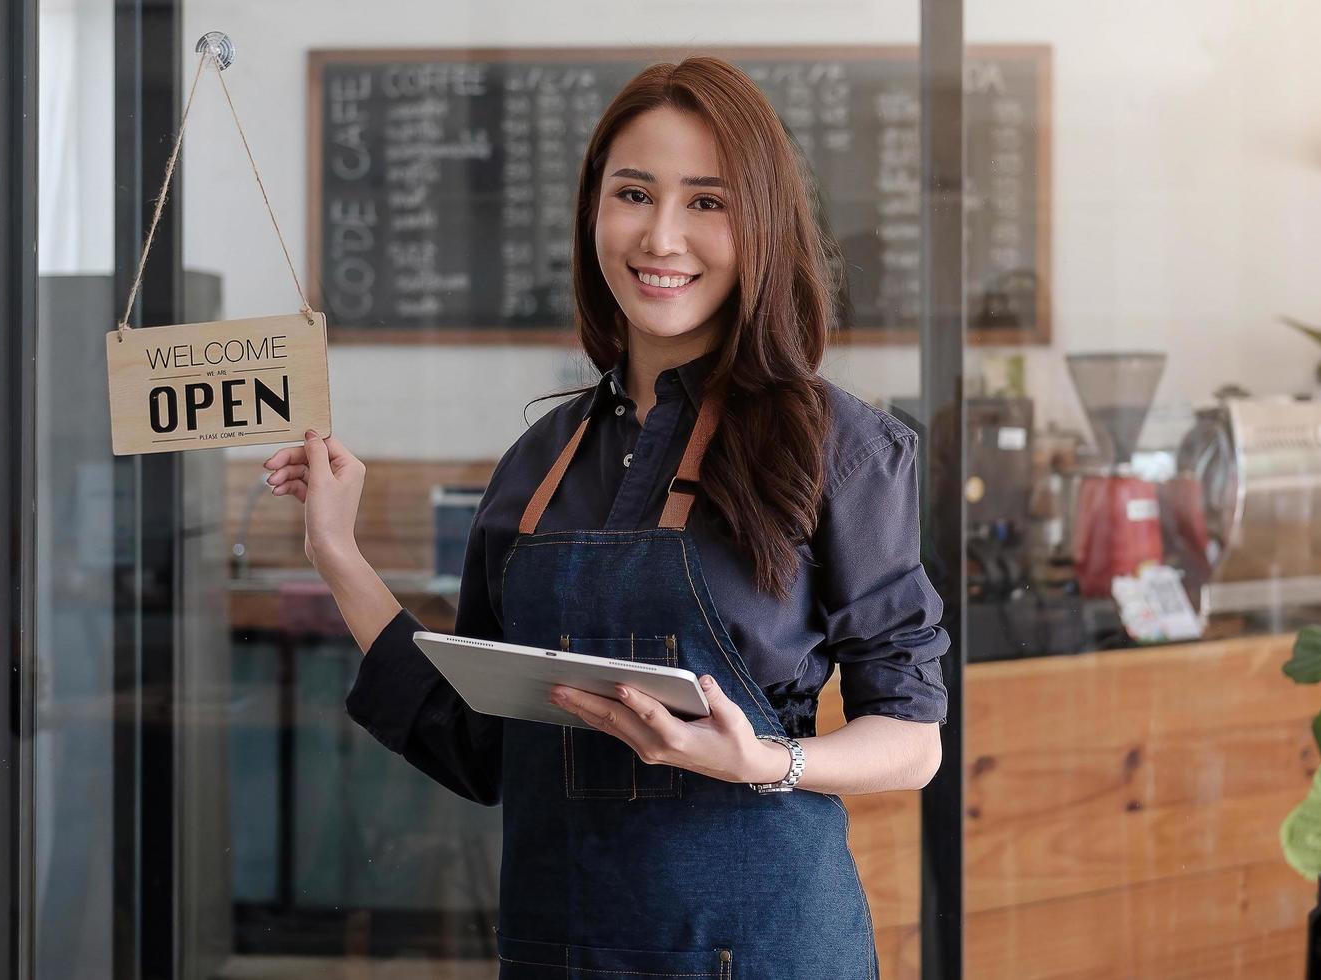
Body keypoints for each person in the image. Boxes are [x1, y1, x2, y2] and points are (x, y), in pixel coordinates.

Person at [262, 56, 948, 979]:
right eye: (635, 193)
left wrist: (764, 762)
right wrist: (337, 550)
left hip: (769, 948)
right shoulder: (538, 463)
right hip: (559, 951)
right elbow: (479, 749)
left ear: (763, 222)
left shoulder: (840, 448)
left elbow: (912, 743)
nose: (662, 237)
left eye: (708, 202)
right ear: (594, 211)